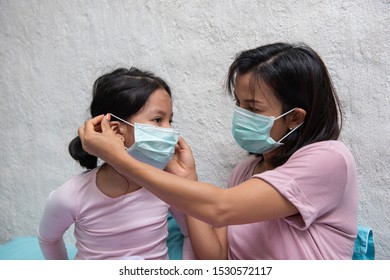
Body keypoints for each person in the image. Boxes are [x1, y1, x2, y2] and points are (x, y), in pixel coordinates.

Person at [77, 42, 359, 260]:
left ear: (295, 118)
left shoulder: (329, 159)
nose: (241, 114)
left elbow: (220, 208)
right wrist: (188, 181)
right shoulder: (245, 172)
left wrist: (118, 158)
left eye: (253, 108)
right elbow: (216, 257)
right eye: (239, 103)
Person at [38, 67, 194, 260]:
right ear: (116, 130)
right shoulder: (72, 195)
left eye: (170, 120)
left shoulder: (166, 186)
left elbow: (191, 232)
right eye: (158, 119)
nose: (169, 130)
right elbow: (48, 239)